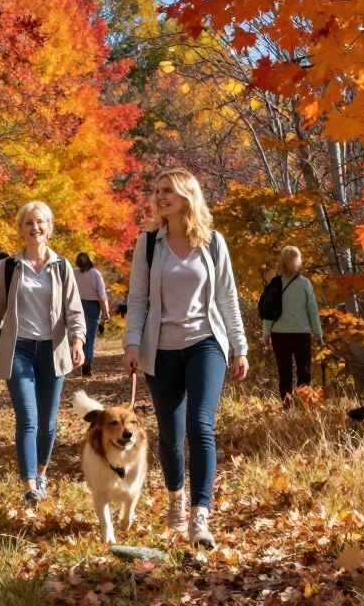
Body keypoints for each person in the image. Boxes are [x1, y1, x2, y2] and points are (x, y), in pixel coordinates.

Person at [123, 168, 248, 550]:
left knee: (201, 425)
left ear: (187, 197)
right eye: (157, 190)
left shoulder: (212, 243)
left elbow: (227, 297)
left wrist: (239, 346)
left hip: (205, 344)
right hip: (160, 349)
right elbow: (139, 299)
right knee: (170, 434)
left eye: (168, 191)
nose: (160, 197)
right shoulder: (148, 244)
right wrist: (131, 344)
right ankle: (176, 497)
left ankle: (200, 515)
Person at [0, 201, 86, 504]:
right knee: (28, 418)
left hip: (53, 351)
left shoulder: (62, 267)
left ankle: (41, 472)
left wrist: (78, 341)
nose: (35, 228)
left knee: (48, 422)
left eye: (40, 222)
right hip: (18, 350)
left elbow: (74, 312)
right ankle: (29, 486)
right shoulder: (11, 267)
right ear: (21, 228)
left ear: (49, 227)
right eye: (29, 223)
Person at [262, 246, 323, 404]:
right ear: (298, 262)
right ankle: (304, 402)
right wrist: (318, 334)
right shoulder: (305, 284)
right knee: (304, 371)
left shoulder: (274, 284)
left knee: (284, 371)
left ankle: (287, 404)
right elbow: (312, 311)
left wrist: (266, 334)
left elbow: (268, 313)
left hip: (279, 334)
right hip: (300, 334)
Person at [74, 251, 111, 376]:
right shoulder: (95, 274)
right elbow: (102, 296)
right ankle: (87, 363)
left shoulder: (74, 273)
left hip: (77, 306)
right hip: (92, 307)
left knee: (79, 335)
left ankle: (79, 361)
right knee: (89, 338)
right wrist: (106, 312)